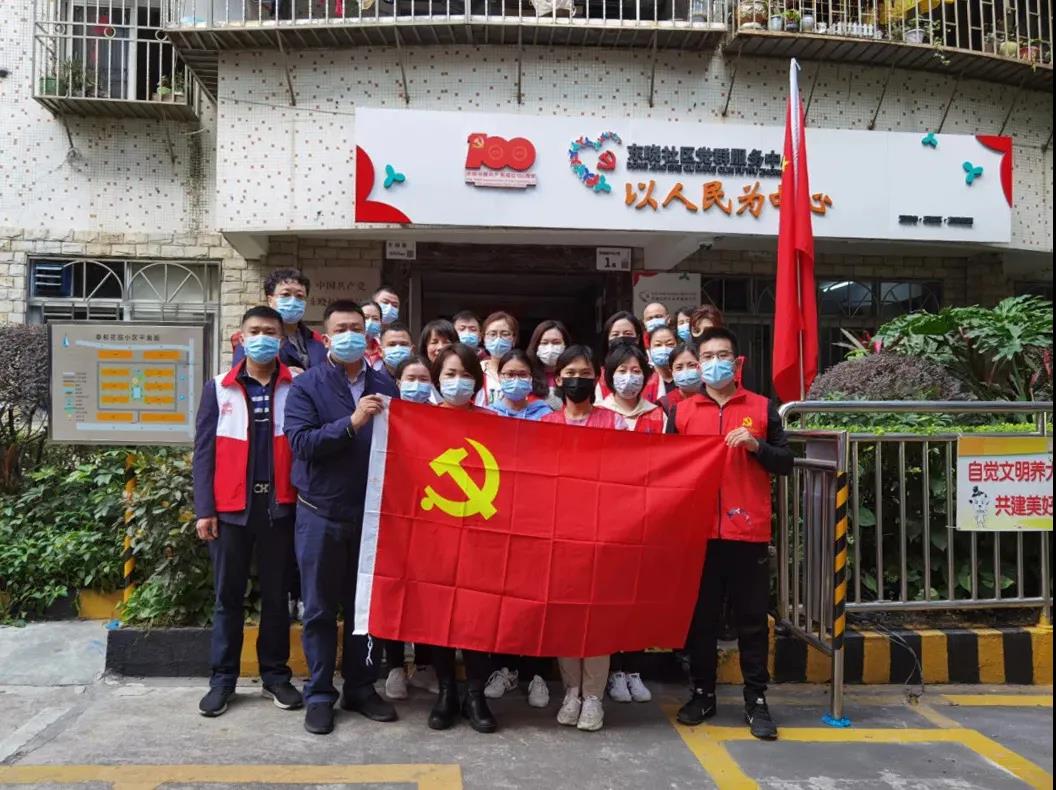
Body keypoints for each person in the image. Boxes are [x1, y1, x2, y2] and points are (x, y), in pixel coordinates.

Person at [670, 327, 793, 741]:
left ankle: (756, 700)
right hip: (698, 534)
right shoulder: (682, 412)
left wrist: (758, 447)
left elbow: (786, 461)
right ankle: (702, 694)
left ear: (736, 362)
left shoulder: (761, 407)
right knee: (701, 621)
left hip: (748, 532)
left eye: (722, 355)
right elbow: (667, 468)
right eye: (706, 357)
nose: (714, 363)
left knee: (752, 622)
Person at [283, 299, 400, 735]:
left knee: (363, 610)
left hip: (370, 516)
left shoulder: (385, 384)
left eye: (357, 328)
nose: (350, 335)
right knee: (318, 609)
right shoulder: (307, 386)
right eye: (341, 329)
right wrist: (351, 423)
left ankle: (361, 687)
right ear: (327, 337)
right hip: (320, 513)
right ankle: (318, 693)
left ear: (368, 336)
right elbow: (301, 443)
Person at [193, 306, 301, 718]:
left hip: (279, 508)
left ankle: (275, 676)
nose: (262, 338)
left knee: (276, 597)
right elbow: (204, 453)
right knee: (228, 598)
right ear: (241, 337)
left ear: (282, 339)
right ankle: (222, 680)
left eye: (270, 332)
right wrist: (205, 509)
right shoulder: (219, 387)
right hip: (230, 510)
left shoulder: (296, 385)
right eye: (255, 331)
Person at [541, 345, 623, 732]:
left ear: (596, 378)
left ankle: (593, 696)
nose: (578, 379)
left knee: (596, 617)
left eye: (585, 373)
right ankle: (571, 691)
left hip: (601, 532)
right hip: (558, 534)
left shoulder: (613, 422)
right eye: (570, 373)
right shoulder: (546, 424)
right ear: (558, 379)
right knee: (566, 616)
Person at [426, 343, 500, 734]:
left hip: (481, 536)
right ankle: (445, 692)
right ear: (437, 379)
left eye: (466, 375)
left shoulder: (494, 422)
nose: (458, 382)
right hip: (434, 534)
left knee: (477, 615)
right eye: (450, 374)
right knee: (439, 614)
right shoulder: (420, 421)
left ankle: (475, 694)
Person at [482, 349, 553, 708]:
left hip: (538, 514)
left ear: (532, 378)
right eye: (508, 374)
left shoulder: (548, 416)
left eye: (521, 374)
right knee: (502, 596)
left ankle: (537, 674)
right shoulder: (487, 415)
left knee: (537, 596)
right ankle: (504, 668)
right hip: (497, 516)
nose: (515, 380)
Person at [380, 354, 440, 701]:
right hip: (393, 515)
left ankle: (426, 664)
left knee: (429, 594)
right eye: (410, 379)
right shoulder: (385, 416)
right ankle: (394, 666)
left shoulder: (441, 417)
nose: (417, 386)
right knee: (394, 589)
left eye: (423, 379)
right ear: (398, 383)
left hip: (433, 518)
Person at [231, 269, 326, 373]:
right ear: (270, 300)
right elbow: (241, 376)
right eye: (285, 294)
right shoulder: (255, 339)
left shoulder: (316, 339)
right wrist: (283, 375)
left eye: (299, 296)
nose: (293, 301)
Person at [597, 343, 665, 433]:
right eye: (622, 371)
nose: (629, 377)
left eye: (636, 371)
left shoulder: (659, 416)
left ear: (644, 377)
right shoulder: (597, 414)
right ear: (611, 375)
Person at [486, 349, 553, 421]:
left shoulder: (545, 415)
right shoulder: (489, 414)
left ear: (531, 377)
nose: (516, 380)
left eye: (523, 374)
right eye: (510, 374)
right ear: (499, 376)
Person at [596, 311, 645, 402]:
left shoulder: (654, 377)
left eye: (628, 333)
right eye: (615, 334)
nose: (621, 338)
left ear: (638, 338)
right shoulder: (598, 376)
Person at [526, 319, 571, 410]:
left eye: (556, 342)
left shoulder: (574, 375)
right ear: (536, 347)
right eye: (544, 343)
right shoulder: (526, 375)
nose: (550, 348)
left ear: (565, 346)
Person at [479, 311, 519, 406]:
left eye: (505, 334)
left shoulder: (524, 372)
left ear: (514, 339)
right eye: (492, 334)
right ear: (484, 339)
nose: (498, 339)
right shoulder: (477, 370)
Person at [658, 342, 702, 419]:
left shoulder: (715, 397)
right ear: (672, 371)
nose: (686, 371)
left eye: (691, 365)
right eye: (679, 367)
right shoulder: (665, 404)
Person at [641, 324, 678, 404]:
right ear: (649, 349)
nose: (664, 348)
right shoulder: (645, 379)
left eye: (670, 344)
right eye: (658, 345)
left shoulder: (686, 378)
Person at [360, 300, 384, 369]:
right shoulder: (349, 349)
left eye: (375, 319)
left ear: (381, 323)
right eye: (365, 317)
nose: (370, 322)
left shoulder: (384, 350)